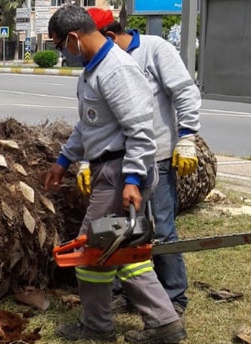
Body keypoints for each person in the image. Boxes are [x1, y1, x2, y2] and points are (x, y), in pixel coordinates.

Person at [44, 5, 186, 344]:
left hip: (121, 170)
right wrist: (64, 159)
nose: (62, 53)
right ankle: (164, 322)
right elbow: (88, 125)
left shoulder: (117, 70)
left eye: (60, 45)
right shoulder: (93, 72)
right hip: (108, 169)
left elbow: (140, 130)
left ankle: (98, 327)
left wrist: (133, 180)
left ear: (75, 38)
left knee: (92, 249)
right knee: (121, 251)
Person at [85, 7, 202, 320]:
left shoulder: (155, 50)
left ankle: (174, 296)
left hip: (158, 155)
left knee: (162, 228)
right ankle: (129, 293)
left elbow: (184, 92)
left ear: (107, 36)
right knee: (126, 231)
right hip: (123, 161)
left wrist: (187, 136)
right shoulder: (104, 64)